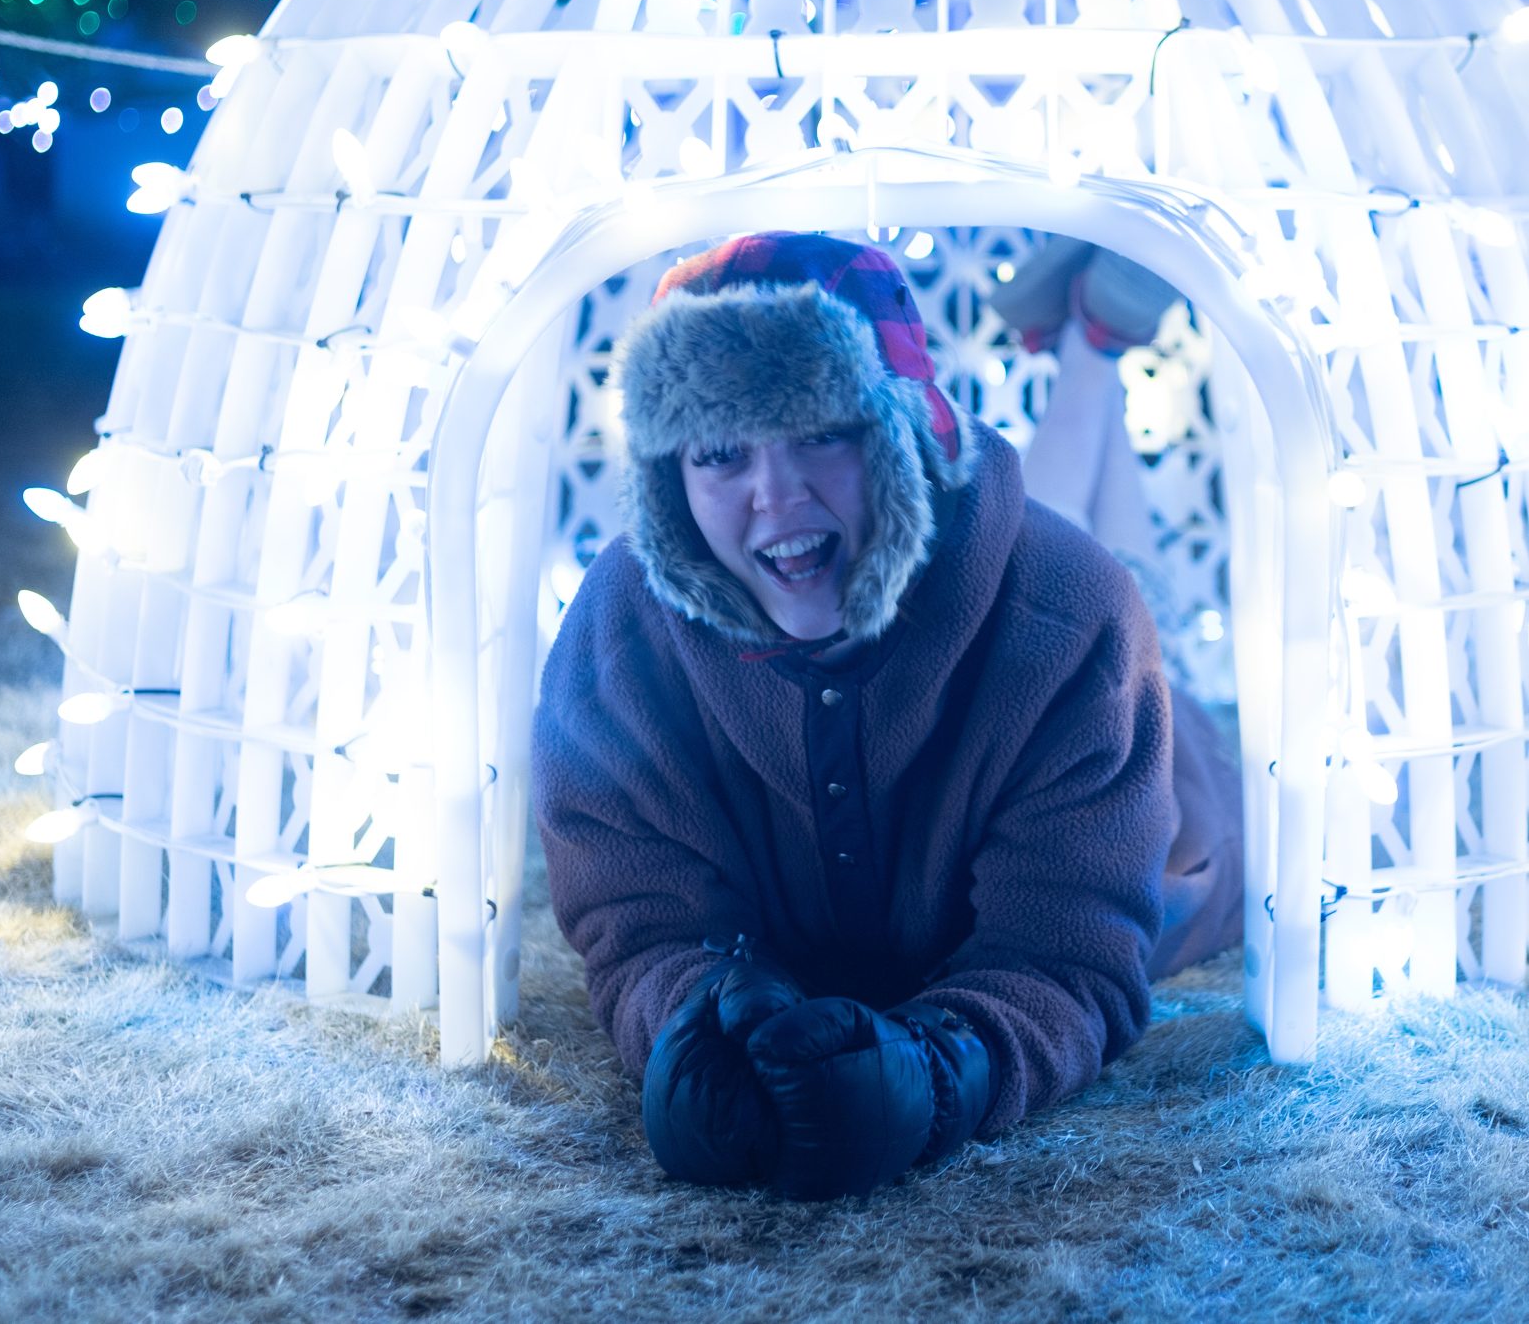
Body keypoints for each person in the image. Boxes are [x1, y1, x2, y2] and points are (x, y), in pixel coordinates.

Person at [531, 231, 1243, 1202]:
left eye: (822, 432)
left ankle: (1097, 335)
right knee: (1068, 530)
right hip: (1017, 585)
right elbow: (640, 919)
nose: (775, 499)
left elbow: (1068, 955)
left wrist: (944, 1070)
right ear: (669, 478)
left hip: (1167, 781)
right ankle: (1091, 324)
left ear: (900, 433)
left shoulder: (1073, 617)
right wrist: (690, 1020)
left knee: (1088, 558)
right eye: (719, 452)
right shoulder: (621, 633)